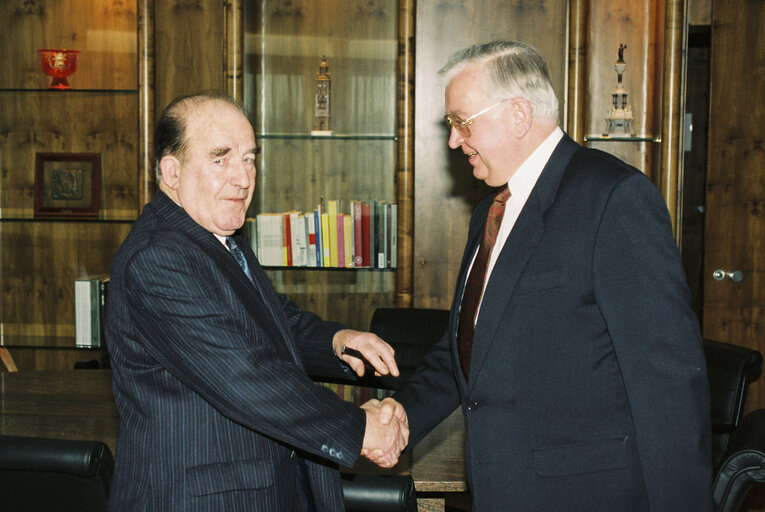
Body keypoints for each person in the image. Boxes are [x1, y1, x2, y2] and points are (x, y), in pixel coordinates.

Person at [393, 41, 712, 510]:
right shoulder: (490, 212)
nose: (454, 141)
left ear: (518, 115)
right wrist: (398, 415)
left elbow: (668, 386)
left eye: (462, 122)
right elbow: (468, 352)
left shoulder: (613, 200)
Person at [106, 91, 408, 511]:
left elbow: (269, 321)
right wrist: (361, 428)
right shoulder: (157, 258)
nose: (244, 178)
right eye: (221, 158)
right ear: (171, 171)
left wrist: (338, 339)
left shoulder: (216, 237)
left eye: (249, 158)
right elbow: (244, 374)